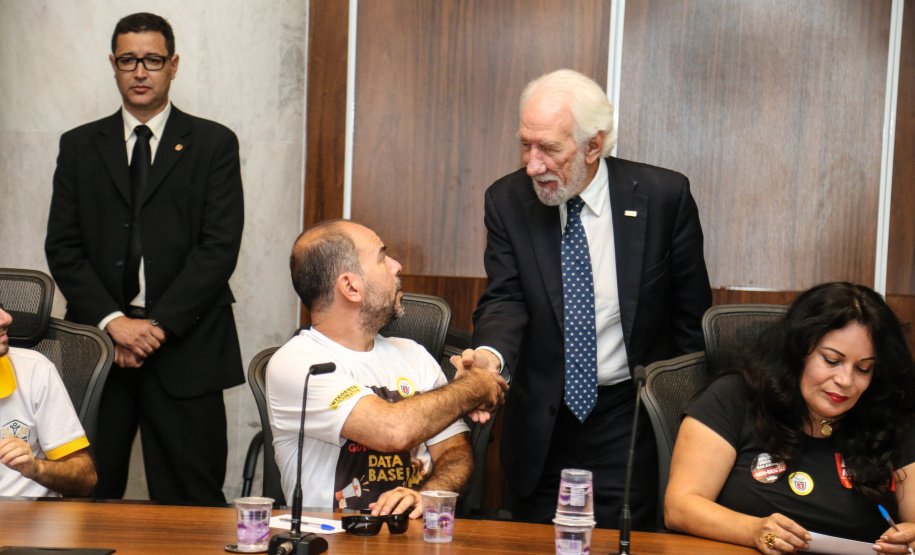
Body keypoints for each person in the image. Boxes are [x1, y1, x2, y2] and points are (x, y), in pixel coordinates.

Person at [456, 68, 712, 528]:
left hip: (628, 421)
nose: (533, 164)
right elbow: (505, 299)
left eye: (549, 149)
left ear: (594, 146)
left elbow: (689, 323)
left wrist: (686, 425)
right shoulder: (509, 200)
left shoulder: (663, 196)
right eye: (525, 145)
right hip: (541, 426)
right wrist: (490, 359)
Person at [44, 12, 244, 504]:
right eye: (129, 60)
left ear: (173, 65)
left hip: (187, 345)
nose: (140, 71)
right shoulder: (79, 146)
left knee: (192, 500)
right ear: (113, 65)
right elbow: (62, 248)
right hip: (99, 348)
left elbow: (219, 248)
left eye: (152, 60)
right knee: (88, 495)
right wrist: (114, 322)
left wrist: (154, 328)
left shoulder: (214, 143)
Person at [267, 220, 508, 517]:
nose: (397, 266)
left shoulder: (414, 355)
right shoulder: (299, 364)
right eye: (382, 257)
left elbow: (454, 453)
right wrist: (475, 386)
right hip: (330, 541)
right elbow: (393, 431)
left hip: (416, 541)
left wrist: (429, 496)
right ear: (351, 287)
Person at [666, 282, 915, 554]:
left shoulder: (889, 418)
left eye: (863, 368)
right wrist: (752, 531)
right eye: (831, 360)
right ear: (798, 351)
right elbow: (679, 507)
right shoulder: (735, 398)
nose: (845, 380)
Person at [0, 304, 97, 497]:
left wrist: (37, 469)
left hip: (28, 519)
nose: (6, 318)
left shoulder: (35, 370)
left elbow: (86, 478)